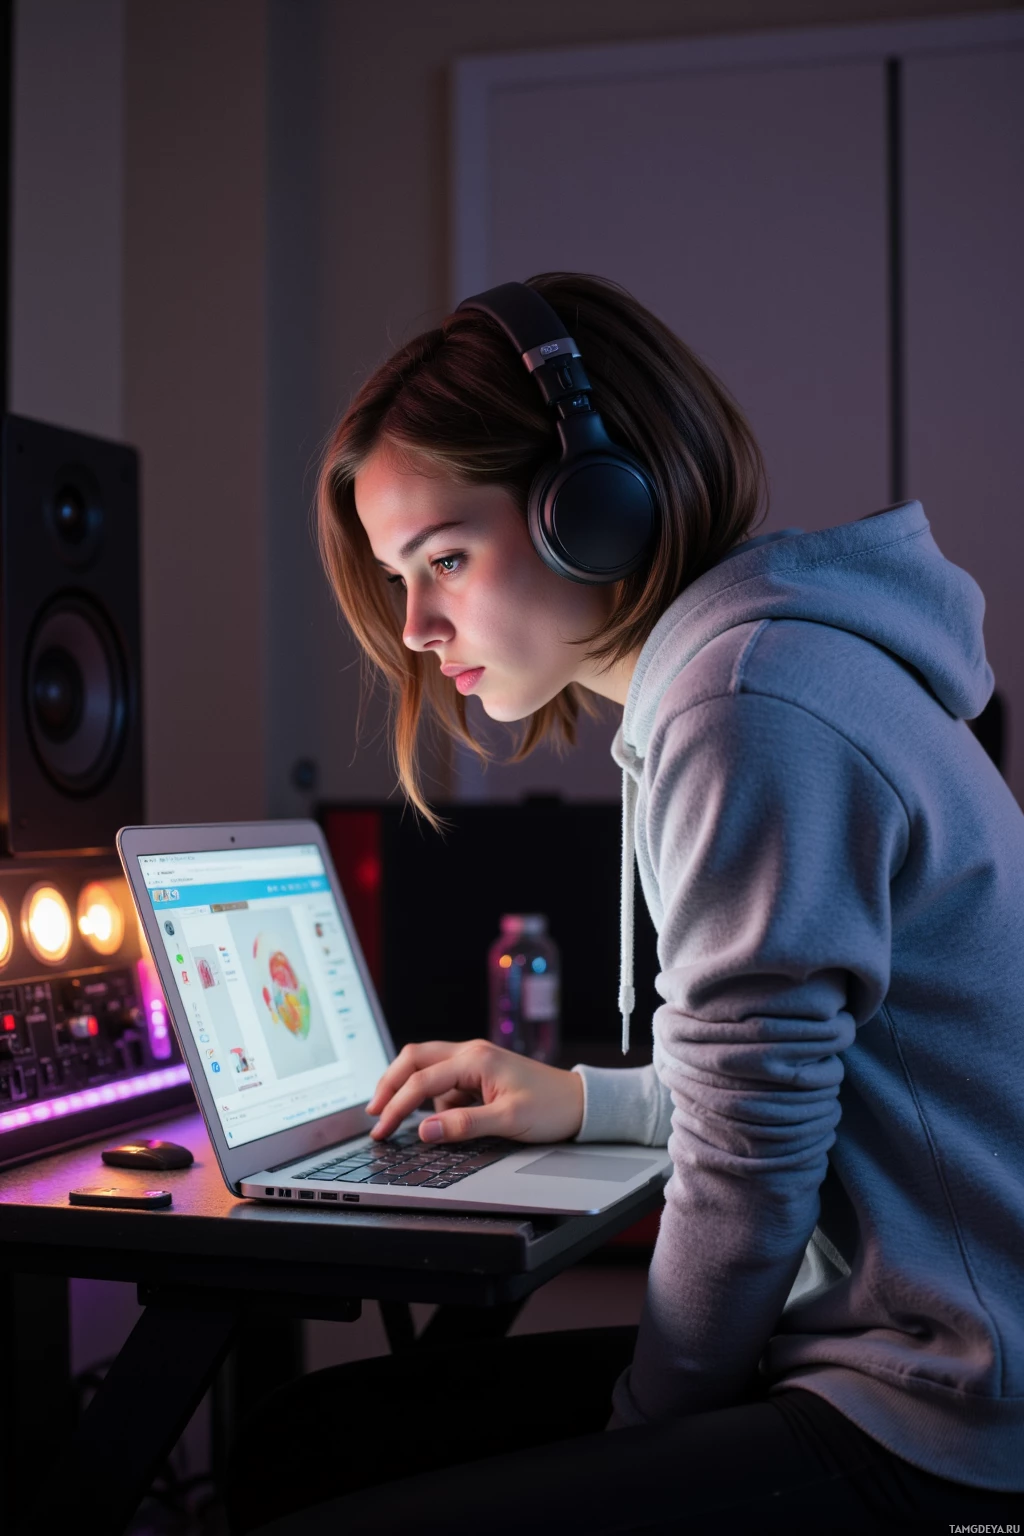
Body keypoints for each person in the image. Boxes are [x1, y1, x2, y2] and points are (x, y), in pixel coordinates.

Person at [227, 273, 1024, 1535]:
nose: (419, 625)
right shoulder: (759, 666)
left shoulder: (744, 705)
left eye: (444, 556)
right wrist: (585, 1099)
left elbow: (752, 1175)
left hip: (948, 1413)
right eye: (398, 576)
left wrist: (641, 1430)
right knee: (304, 1439)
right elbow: (799, 1092)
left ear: (595, 508)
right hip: (892, 1356)